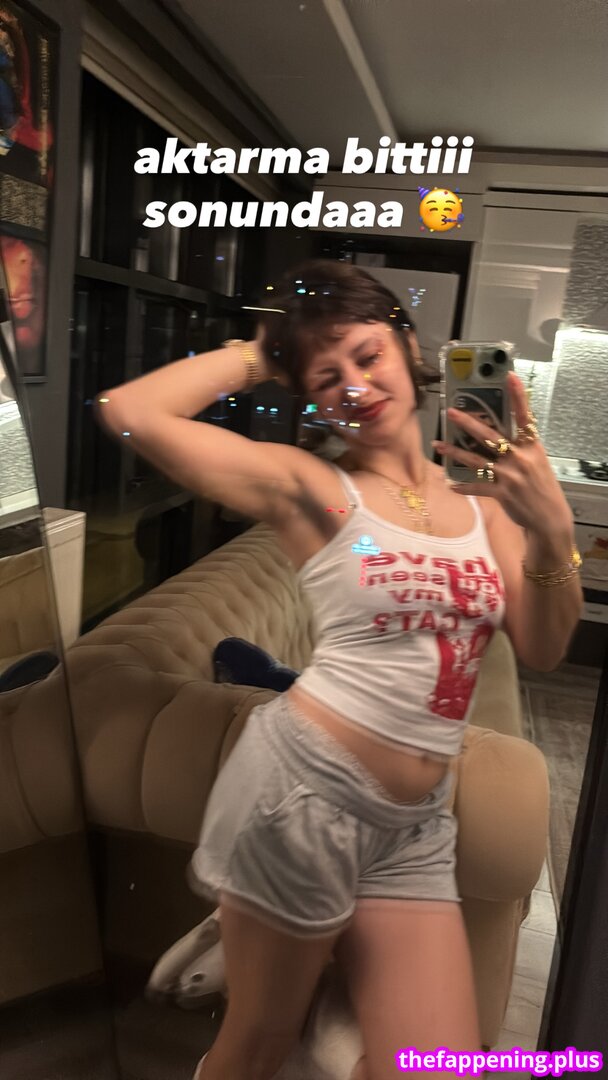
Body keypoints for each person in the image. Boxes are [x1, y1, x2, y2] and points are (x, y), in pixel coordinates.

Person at [95, 260, 583, 1080]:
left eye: (367, 354)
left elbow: (542, 645)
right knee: (256, 1044)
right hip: (301, 802)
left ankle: (326, 994)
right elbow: (128, 412)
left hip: (416, 823)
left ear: (409, 347)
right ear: (309, 397)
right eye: (326, 378)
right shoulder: (314, 489)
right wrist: (265, 353)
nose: (354, 385)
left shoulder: (487, 504)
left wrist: (551, 528)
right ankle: (283, 962)